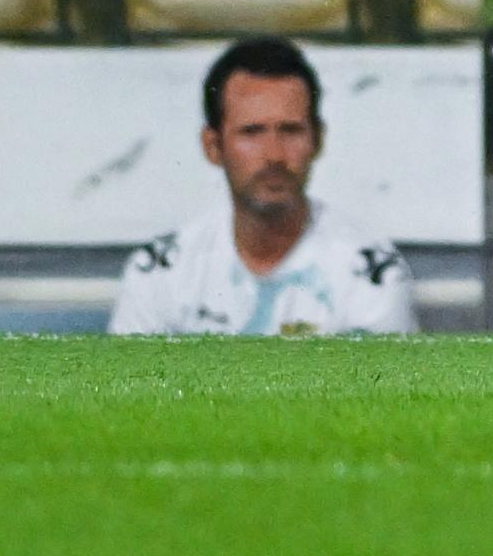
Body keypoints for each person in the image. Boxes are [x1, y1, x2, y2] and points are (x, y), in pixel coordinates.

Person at [109, 39, 416, 336]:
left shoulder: (371, 276)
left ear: (317, 140)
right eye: (252, 132)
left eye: (291, 130)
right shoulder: (160, 272)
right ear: (213, 145)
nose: (274, 155)